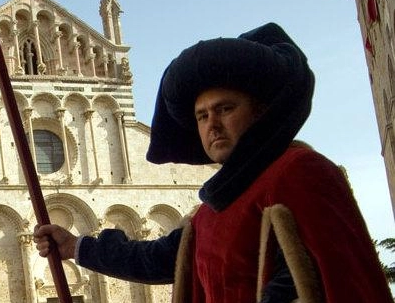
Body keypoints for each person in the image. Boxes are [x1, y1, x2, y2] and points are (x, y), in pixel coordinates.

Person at [33, 23, 394, 302]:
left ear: (260, 112)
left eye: (225, 109)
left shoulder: (299, 172)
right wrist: (76, 247)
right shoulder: (214, 209)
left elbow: (321, 279)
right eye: (202, 116)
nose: (213, 125)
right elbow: (160, 258)